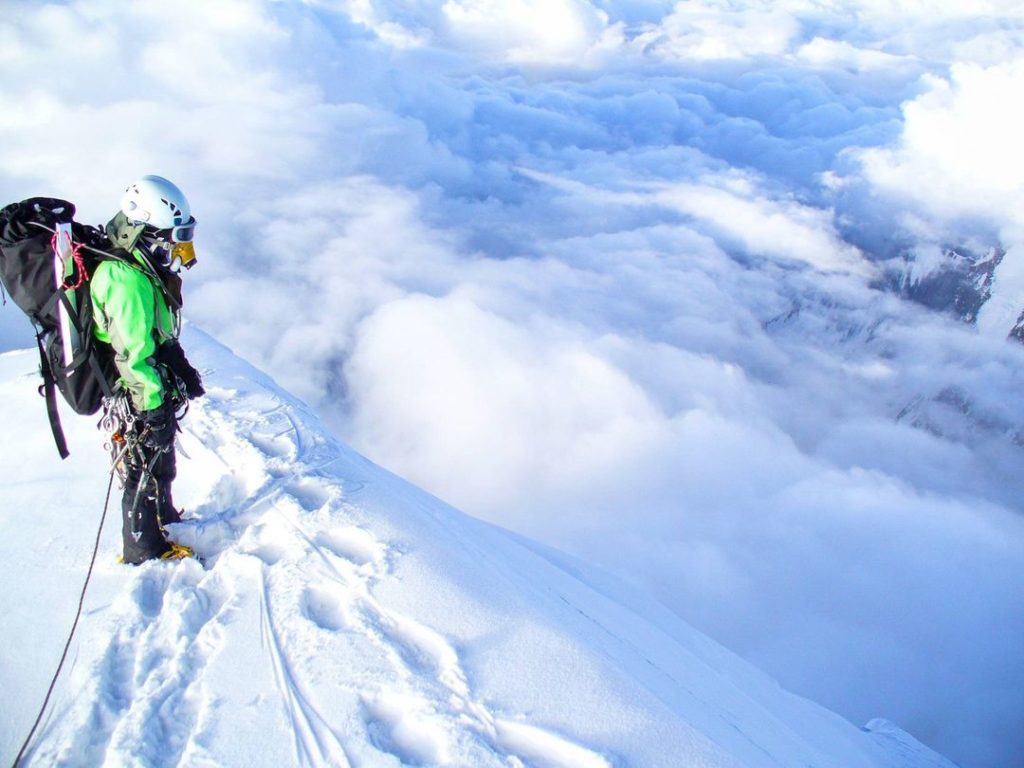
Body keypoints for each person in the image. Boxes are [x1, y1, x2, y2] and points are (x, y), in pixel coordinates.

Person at [92, 175, 205, 564]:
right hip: (137, 388)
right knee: (142, 464)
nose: (177, 244)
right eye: (173, 234)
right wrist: (154, 406)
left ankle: (163, 518)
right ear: (148, 230)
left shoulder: (137, 269)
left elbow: (153, 330)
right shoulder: (124, 280)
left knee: (159, 457)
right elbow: (133, 355)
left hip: (148, 382)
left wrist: (179, 365)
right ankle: (143, 550)